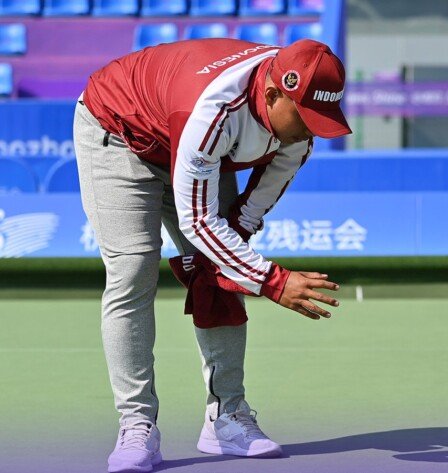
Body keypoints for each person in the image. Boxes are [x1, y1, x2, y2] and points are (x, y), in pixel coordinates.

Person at [73, 38, 349, 473]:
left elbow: (248, 212)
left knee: (223, 274)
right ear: (273, 94)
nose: (311, 129)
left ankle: (228, 418)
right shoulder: (214, 111)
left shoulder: (299, 123)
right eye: (305, 118)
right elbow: (198, 222)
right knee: (132, 270)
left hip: (195, 149)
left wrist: (227, 263)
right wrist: (273, 281)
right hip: (120, 133)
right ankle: (136, 424)